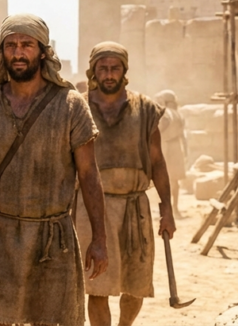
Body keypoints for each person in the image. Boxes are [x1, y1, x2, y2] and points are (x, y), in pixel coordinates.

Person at [0, 14, 107, 326]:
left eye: (26, 44)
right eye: (10, 45)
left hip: (52, 239)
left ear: (43, 51)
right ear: (1, 53)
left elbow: (89, 175)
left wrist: (99, 238)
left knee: (52, 320)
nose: (18, 52)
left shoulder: (71, 105)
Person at [79, 42, 176, 326]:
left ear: (124, 71)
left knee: (136, 283)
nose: (109, 75)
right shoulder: (78, 108)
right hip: (92, 209)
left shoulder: (145, 109)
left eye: (115, 68)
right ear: (93, 71)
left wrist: (167, 209)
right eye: (103, 68)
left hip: (136, 206)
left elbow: (157, 162)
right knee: (97, 284)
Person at [154, 90, 188, 219]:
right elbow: (183, 136)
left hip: (166, 147)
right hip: (176, 148)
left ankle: (165, 209)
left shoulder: (166, 113)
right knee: (174, 180)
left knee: (163, 179)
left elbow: (163, 125)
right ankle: (175, 208)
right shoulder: (179, 114)